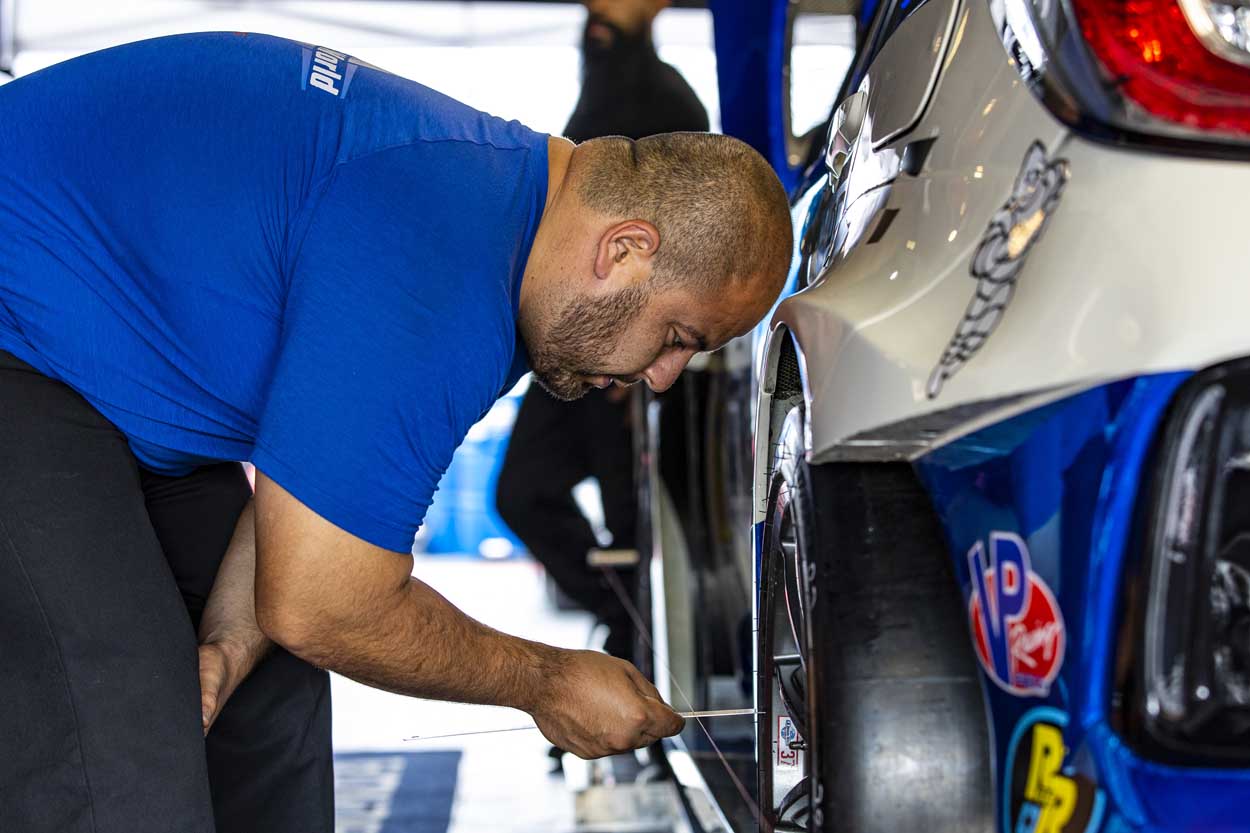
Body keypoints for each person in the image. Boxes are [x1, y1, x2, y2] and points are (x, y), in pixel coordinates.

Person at [0, 33, 792, 833]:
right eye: (678, 337)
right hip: (20, 339)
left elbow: (310, 494)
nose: (663, 377)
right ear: (624, 251)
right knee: (117, 722)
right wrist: (545, 680)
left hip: (108, 370)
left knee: (265, 690)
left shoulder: (508, 233)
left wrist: (230, 647)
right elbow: (320, 601)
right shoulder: (440, 258)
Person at [496, 0, 708, 662]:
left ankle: (637, 658)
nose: (597, 10)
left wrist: (639, 345)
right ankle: (623, 620)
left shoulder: (669, 100)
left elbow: (679, 239)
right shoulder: (600, 83)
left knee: (633, 524)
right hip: (574, 338)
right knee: (521, 491)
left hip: (627, 360)